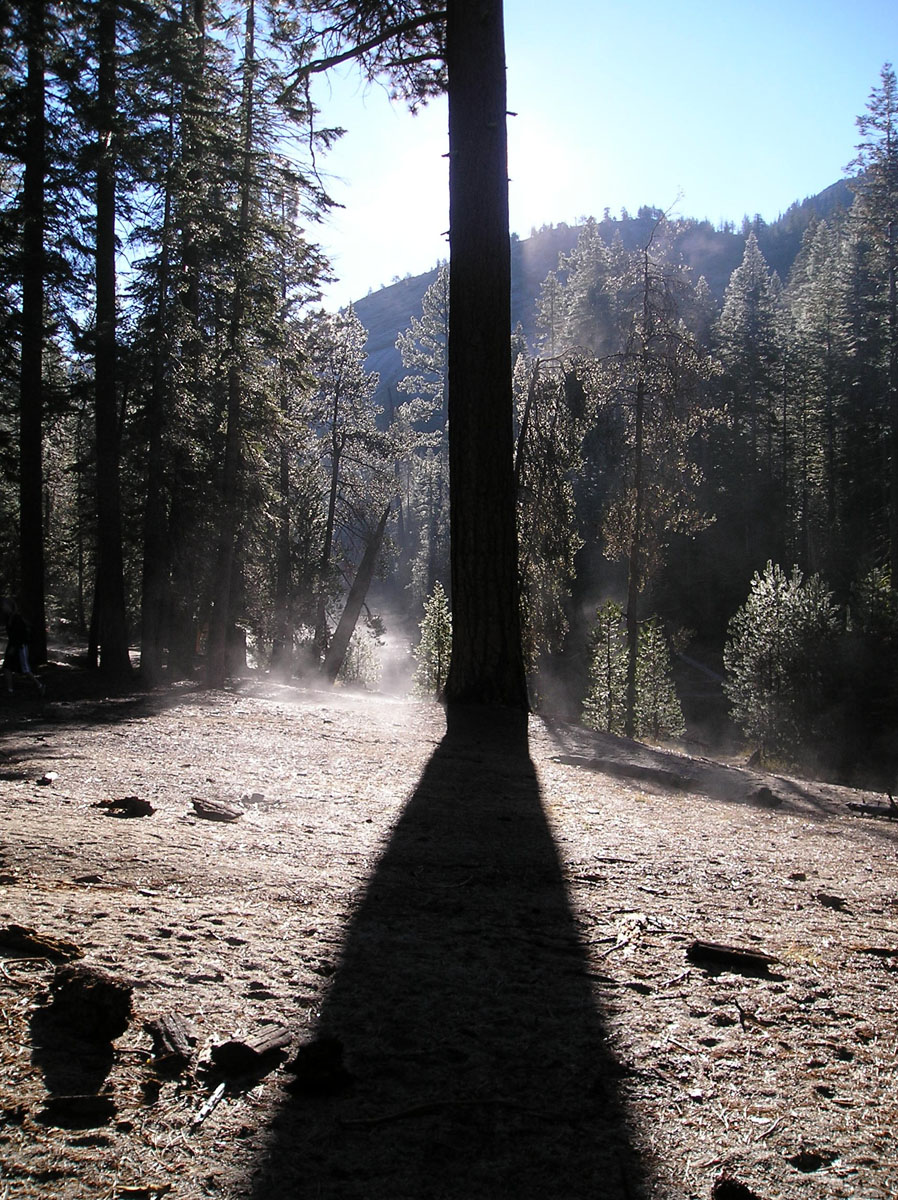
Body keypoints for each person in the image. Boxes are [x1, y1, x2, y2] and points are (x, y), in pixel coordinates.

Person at [3, 600, 44, 696]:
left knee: (25, 669)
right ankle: (10, 690)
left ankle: (40, 685)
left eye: (5, 606)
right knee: (6, 667)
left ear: (10, 607)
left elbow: (20, 635)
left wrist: (15, 647)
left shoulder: (17, 619)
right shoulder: (9, 618)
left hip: (20, 647)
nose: (3, 608)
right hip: (13, 646)